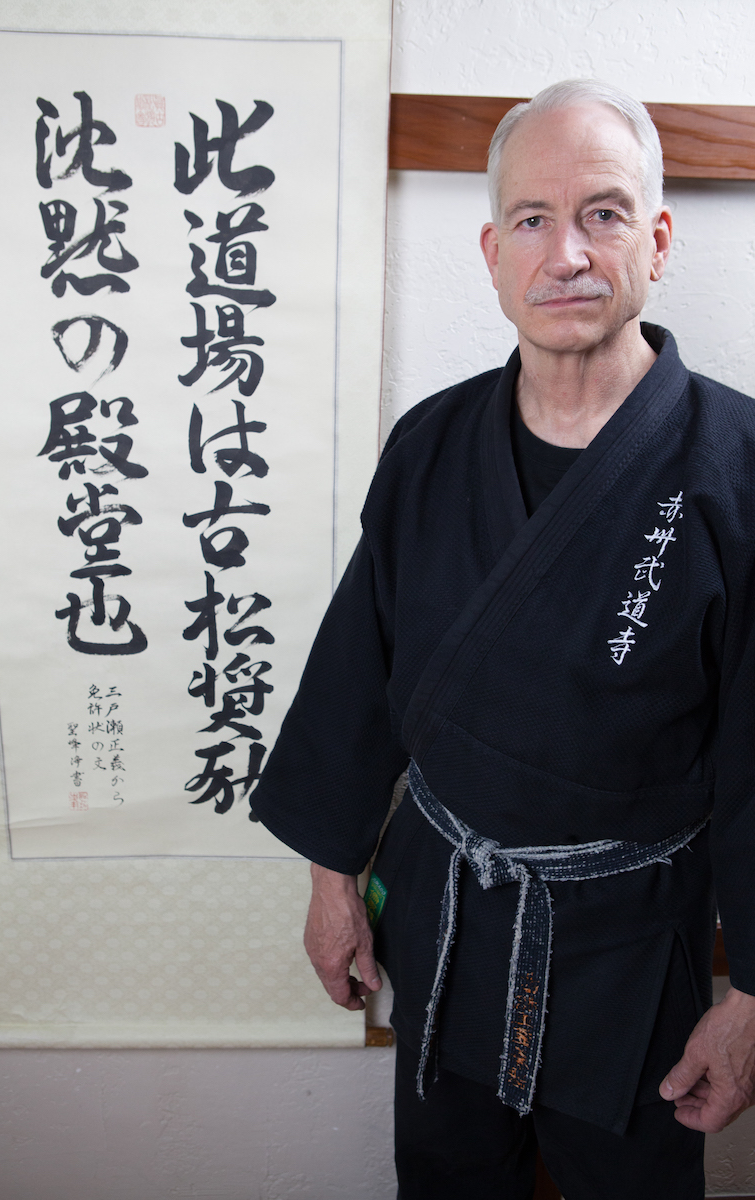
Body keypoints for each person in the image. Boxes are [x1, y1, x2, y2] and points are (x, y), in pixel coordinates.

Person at [250, 80, 755, 1198]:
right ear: (491, 252)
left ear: (657, 239)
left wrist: (750, 1001)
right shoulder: (429, 445)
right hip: (442, 924)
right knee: (446, 1181)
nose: (565, 253)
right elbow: (355, 675)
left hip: (630, 953)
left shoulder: (733, 467)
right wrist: (336, 882)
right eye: (531, 220)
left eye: (604, 214)